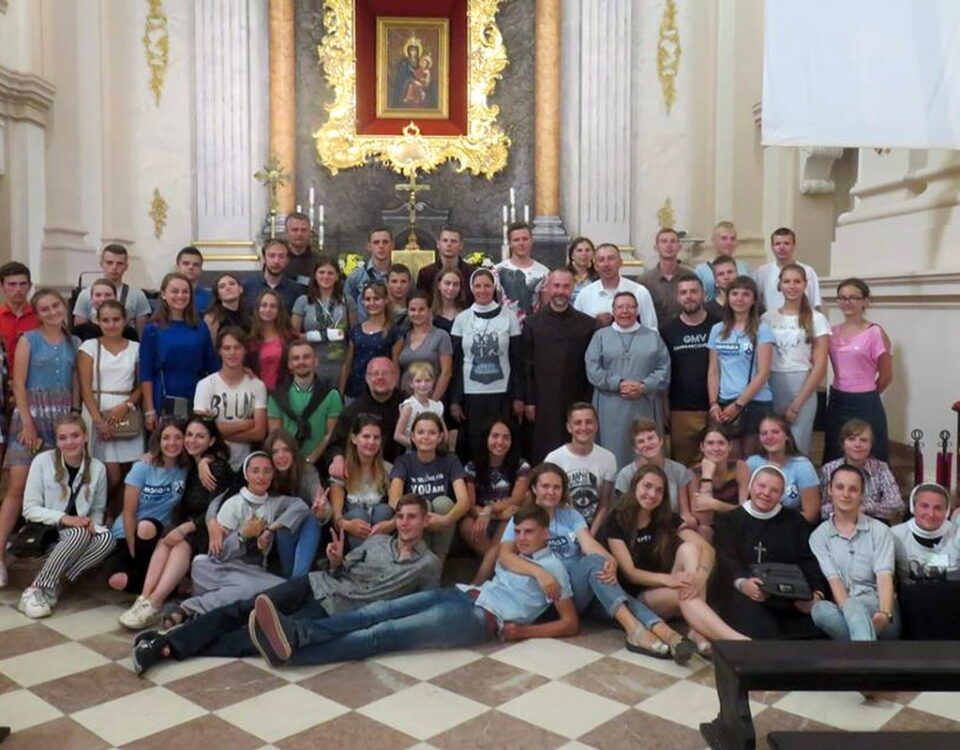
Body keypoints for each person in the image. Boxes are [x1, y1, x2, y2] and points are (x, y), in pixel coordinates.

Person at [131, 493, 441, 675]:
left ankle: (169, 646)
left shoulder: (428, 565)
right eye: (401, 516)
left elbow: (420, 607)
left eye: (412, 517)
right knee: (242, 609)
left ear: (426, 521)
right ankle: (167, 641)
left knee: (256, 637)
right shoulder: (378, 542)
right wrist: (335, 560)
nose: (404, 523)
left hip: (336, 608)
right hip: (314, 583)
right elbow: (341, 569)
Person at [245, 501, 577, 669]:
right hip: (462, 595)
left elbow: (570, 622)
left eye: (529, 532)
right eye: (518, 532)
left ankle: (294, 653)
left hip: (480, 619)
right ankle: (297, 635)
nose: (522, 538)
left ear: (546, 533)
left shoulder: (555, 569)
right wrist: (537, 574)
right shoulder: (519, 556)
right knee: (376, 611)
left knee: (383, 633)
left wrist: (525, 631)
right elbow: (503, 554)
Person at [499, 463, 696, 662]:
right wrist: (540, 573)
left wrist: (610, 560)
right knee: (603, 576)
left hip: (577, 590)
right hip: (550, 595)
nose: (551, 492)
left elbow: (588, 544)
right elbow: (505, 556)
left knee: (605, 575)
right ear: (534, 488)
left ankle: (667, 636)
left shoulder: (570, 515)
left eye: (556, 487)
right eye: (545, 486)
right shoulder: (522, 518)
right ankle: (641, 631)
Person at [605, 464, 749, 656]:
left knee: (690, 549)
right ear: (635, 486)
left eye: (659, 490)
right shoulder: (616, 520)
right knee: (683, 592)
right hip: (640, 599)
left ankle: (697, 631)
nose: (652, 494)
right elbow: (630, 573)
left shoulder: (666, 519)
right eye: (647, 486)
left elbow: (707, 549)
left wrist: (700, 576)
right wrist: (669, 580)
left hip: (672, 587)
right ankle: (738, 641)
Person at [118, 418, 237, 630]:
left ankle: (155, 604)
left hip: (211, 529)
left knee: (180, 542)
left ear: (211, 441)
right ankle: (144, 599)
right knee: (167, 539)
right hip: (190, 526)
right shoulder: (188, 464)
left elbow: (218, 510)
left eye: (200, 436)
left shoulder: (217, 468)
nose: (192, 440)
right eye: (189, 435)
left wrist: (185, 527)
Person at [0, 288, 79, 588]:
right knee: (17, 488)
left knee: (57, 489)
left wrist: (74, 415)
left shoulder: (74, 342)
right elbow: (18, 384)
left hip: (61, 421)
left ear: (63, 307)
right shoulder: (28, 340)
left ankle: (50, 560)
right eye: (44, 308)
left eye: (55, 305)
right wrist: (27, 423)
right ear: (37, 313)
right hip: (30, 419)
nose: (52, 312)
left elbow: (75, 383)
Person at [176, 452, 312, 619]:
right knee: (255, 590)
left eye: (267, 471)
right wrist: (242, 534)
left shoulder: (273, 503)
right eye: (255, 471)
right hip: (220, 570)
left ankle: (197, 608)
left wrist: (270, 529)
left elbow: (301, 506)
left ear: (272, 475)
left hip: (253, 573)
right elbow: (219, 555)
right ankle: (191, 608)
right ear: (246, 475)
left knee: (281, 589)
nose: (261, 476)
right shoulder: (233, 504)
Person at [710, 465, 826, 639]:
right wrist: (743, 583)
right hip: (747, 596)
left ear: (782, 495)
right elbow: (726, 560)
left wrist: (816, 594)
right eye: (761, 486)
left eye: (774, 490)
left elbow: (808, 560)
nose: (766, 493)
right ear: (751, 486)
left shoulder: (795, 522)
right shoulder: (729, 521)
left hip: (790, 600)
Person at [17, 414, 112, 618]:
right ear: (57, 440)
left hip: (77, 538)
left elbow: (98, 509)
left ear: (85, 437)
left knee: (107, 539)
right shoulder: (42, 461)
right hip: (45, 536)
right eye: (63, 437)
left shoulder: (97, 468)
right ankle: (34, 590)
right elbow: (29, 509)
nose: (69, 442)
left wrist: (92, 526)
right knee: (78, 533)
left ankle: (53, 581)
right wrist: (64, 519)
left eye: (75, 435)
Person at [809, 464, 899, 641]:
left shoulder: (880, 531)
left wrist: (885, 614)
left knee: (855, 606)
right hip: (843, 608)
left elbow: (884, 577)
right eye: (840, 487)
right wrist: (849, 608)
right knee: (819, 610)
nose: (846, 494)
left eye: (853, 489)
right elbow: (834, 581)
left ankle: (858, 653)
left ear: (862, 494)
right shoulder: (819, 536)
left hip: (878, 608)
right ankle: (865, 648)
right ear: (830, 490)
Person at [585, 291, 670, 468]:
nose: (625, 311)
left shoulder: (652, 336)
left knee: (645, 451)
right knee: (612, 454)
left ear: (637, 310)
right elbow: (592, 368)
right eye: (620, 307)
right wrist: (618, 383)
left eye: (630, 307)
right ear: (613, 310)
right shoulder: (600, 336)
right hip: (610, 407)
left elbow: (664, 368)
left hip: (644, 404)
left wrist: (644, 386)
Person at [104, 419, 189, 595]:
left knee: (147, 525)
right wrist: (133, 548)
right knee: (117, 580)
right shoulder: (142, 468)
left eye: (178, 437)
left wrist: (203, 464)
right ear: (158, 440)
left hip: (156, 534)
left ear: (184, 440)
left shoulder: (186, 468)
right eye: (166, 437)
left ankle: (152, 591)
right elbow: (129, 514)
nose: (172, 443)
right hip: (126, 534)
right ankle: (169, 588)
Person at [522, 269, 596, 463]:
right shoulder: (532, 323)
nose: (560, 291)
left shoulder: (587, 325)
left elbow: (590, 368)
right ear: (547, 287)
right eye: (556, 286)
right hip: (542, 400)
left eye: (565, 286)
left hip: (575, 397)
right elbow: (527, 365)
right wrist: (529, 401)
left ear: (572, 289)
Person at [77, 299, 142, 516]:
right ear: (98, 321)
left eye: (116, 319)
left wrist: (127, 404)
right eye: (105, 320)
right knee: (108, 472)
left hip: (126, 410)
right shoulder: (89, 347)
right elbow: (85, 387)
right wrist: (98, 421)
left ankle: (115, 518)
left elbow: (142, 384)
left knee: (128, 472)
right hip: (97, 409)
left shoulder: (136, 348)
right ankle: (94, 512)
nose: (111, 324)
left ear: (125, 320)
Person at [450, 268, 523, 459]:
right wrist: (455, 400)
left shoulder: (510, 317)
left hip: (502, 394)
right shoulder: (462, 319)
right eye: (478, 286)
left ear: (494, 287)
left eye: (487, 285)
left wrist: (518, 396)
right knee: (474, 444)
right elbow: (456, 364)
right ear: (471, 288)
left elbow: (516, 360)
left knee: (501, 442)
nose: (482, 290)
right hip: (471, 395)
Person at [823, 277, 892, 463]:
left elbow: (886, 375)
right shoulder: (832, 332)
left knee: (868, 453)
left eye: (853, 297)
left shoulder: (874, 332)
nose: (847, 302)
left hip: (865, 401)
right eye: (843, 298)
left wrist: (866, 394)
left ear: (865, 301)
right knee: (835, 450)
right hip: (837, 400)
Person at [762, 263, 830, 454]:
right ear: (780, 285)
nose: (792, 286)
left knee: (798, 447)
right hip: (772, 384)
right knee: (772, 445)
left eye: (797, 281)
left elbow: (820, 365)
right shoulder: (767, 318)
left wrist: (796, 405)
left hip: (802, 387)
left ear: (805, 284)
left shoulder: (817, 319)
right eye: (787, 281)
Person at [141, 273, 218, 432]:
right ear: (163, 294)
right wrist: (149, 410)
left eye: (185, 291)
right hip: (164, 396)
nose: (180, 296)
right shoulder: (152, 329)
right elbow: (146, 373)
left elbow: (212, 365)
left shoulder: (200, 327)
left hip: (197, 395)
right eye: (175, 291)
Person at [706, 275, 774, 456]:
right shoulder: (717, 329)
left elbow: (764, 373)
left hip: (754, 402)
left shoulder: (762, 329)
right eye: (735, 293)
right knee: (730, 457)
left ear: (753, 300)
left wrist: (738, 404)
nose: (739, 298)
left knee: (752, 458)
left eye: (746, 294)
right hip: (725, 401)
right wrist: (713, 403)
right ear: (728, 298)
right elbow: (713, 370)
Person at [389, 412, 470, 562]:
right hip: (415, 521)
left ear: (440, 437)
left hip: (441, 521)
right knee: (421, 504)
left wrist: (445, 520)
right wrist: (417, 516)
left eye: (432, 433)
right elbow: (394, 499)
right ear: (412, 437)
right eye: (420, 432)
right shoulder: (403, 461)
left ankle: (439, 562)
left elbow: (464, 501)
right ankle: (417, 559)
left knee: (443, 503)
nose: (425, 437)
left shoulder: (451, 460)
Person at [660, 273, 720, 465]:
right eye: (684, 292)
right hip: (681, 410)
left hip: (718, 407)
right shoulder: (667, 330)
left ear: (704, 294)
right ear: (678, 297)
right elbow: (664, 372)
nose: (689, 296)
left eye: (694, 291)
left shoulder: (719, 326)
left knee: (719, 464)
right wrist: (665, 406)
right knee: (684, 467)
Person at [461, 418, 529, 584]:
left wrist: (490, 510)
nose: (500, 442)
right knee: (465, 524)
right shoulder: (471, 467)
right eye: (495, 436)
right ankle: (503, 569)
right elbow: (470, 505)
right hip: (484, 519)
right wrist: (492, 514)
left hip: (508, 519)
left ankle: (477, 583)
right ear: (486, 438)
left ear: (512, 441)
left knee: (510, 517)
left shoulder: (522, 466)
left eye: (506, 437)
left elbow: (516, 499)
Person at [193, 326, 268, 471]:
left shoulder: (257, 385)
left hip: (245, 466)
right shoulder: (205, 385)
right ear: (219, 351)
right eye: (227, 348)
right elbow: (200, 431)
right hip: (212, 464)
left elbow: (259, 433)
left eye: (237, 347)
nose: (232, 353)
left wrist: (216, 432)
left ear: (245, 350)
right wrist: (245, 424)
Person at [891, 484, 960, 639]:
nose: (931, 514)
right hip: (911, 602)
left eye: (938, 508)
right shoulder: (895, 535)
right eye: (924, 506)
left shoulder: (957, 534)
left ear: (947, 511)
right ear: (913, 507)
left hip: (951, 602)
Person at [263, 430, 330, 579]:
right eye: (275, 452)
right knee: (285, 522)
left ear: (293, 452)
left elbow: (323, 505)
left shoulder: (306, 471)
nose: (281, 456)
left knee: (312, 518)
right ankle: (294, 579)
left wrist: (321, 512)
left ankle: (296, 579)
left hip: (308, 530)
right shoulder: (264, 475)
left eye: (286, 450)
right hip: (276, 533)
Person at [544, 403, 617, 535]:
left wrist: (590, 536)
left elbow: (604, 504)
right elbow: (546, 502)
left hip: (594, 527)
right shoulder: (554, 459)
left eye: (589, 422)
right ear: (569, 427)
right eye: (578, 423)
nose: (583, 427)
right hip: (560, 525)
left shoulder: (608, 458)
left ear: (596, 425)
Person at [267, 341, 342, 468]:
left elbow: (330, 435)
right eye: (296, 358)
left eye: (306, 357)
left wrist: (309, 461)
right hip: (285, 465)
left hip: (319, 464)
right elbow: (275, 436)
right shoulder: (276, 396)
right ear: (290, 364)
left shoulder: (331, 395)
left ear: (316, 361)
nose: (301, 362)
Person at [325, 357, 404, 471]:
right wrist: (337, 458)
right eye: (375, 373)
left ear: (396, 377)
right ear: (367, 378)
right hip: (362, 470)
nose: (380, 377)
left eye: (385, 373)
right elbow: (335, 444)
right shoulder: (353, 411)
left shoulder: (409, 404)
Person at [330, 415, 393, 550]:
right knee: (358, 515)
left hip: (379, 529)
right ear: (354, 438)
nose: (371, 442)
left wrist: (390, 525)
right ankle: (362, 560)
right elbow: (336, 518)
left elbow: (398, 510)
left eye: (376, 437)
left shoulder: (388, 469)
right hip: (352, 531)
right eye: (366, 436)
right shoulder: (342, 469)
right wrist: (349, 525)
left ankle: (377, 559)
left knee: (384, 511)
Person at [820, 419, 902, 523]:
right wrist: (850, 509)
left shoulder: (881, 468)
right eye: (851, 439)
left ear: (871, 444)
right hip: (838, 522)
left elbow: (896, 504)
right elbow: (823, 509)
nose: (857, 444)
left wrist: (865, 507)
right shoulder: (829, 469)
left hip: (875, 523)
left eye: (864, 440)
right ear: (842, 443)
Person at [614, 418, 693, 520]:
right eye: (641, 441)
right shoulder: (626, 474)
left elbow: (684, 513)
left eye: (651, 438)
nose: (647, 444)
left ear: (661, 441)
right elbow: (623, 513)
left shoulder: (678, 470)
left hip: (671, 524)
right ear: (635, 448)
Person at [745, 414, 820, 522]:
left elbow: (811, 514)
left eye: (775, 432)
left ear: (787, 436)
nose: (769, 437)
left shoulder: (803, 465)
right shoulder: (751, 463)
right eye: (764, 433)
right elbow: (743, 505)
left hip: (791, 525)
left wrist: (781, 527)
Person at [291, 255, 348, 387]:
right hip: (311, 364)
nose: (326, 276)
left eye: (330, 273)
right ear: (315, 276)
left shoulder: (346, 300)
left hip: (339, 364)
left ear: (337, 276)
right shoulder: (303, 301)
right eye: (321, 272)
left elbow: (354, 333)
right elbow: (292, 336)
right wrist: (319, 336)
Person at [574, 243, 659, 330]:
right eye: (601, 260)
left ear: (620, 263)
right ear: (595, 266)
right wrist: (594, 323)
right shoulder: (584, 295)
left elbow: (651, 330)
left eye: (611, 259)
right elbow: (576, 331)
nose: (606, 264)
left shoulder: (639, 292)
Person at [73, 244, 152, 336]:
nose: (114, 267)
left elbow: (142, 335)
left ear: (126, 266)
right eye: (109, 263)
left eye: (120, 263)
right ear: (101, 264)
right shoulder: (85, 294)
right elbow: (79, 334)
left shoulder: (138, 296)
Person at [339, 281, 400, 401]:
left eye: (376, 299)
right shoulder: (356, 330)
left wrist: (395, 394)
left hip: (382, 392)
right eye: (367, 299)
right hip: (354, 390)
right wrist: (340, 393)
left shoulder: (394, 332)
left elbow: (396, 366)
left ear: (386, 300)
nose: (372, 303)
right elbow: (347, 364)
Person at [688, 425, 750, 541]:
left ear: (730, 446)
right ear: (702, 447)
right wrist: (707, 476)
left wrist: (715, 504)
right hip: (711, 528)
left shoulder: (739, 467)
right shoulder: (693, 473)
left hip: (736, 523)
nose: (716, 448)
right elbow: (703, 520)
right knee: (703, 529)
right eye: (710, 443)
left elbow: (745, 512)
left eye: (721, 443)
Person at [393, 290, 453, 400]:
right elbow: (396, 368)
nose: (417, 313)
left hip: (431, 398)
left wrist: (433, 402)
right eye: (412, 310)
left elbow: (446, 372)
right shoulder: (403, 337)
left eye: (421, 309)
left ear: (429, 310)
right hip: (406, 399)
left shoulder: (441, 336)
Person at [754, 227, 822, 313]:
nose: (782, 247)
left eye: (786, 243)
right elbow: (757, 304)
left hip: (802, 319)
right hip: (771, 320)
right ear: (772, 247)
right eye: (777, 244)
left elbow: (815, 305)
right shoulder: (762, 272)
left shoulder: (808, 272)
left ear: (794, 246)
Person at [494, 222, 549, 323]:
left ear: (531, 241)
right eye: (516, 240)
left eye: (525, 239)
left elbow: (545, 306)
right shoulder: (497, 270)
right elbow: (495, 302)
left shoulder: (543, 272)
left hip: (532, 326)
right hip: (505, 326)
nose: (521, 243)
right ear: (510, 243)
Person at [639, 228, 694, 326]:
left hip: (685, 331)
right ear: (656, 247)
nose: (668, 245)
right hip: (656, 332)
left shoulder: (691, 277)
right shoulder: (645, 281)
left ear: (679, 247)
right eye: (664, 241)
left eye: (673, 241)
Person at [246, 289, 295, 390]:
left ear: (279, 310)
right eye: (264, 305)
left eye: (273, 306)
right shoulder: (249, 338)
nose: (268, 310)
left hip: (282, 392)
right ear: (258, 309)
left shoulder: (289, 338)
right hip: (255, 391)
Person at [240, 238, 303, 315]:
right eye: (272, 256)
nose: (276, 261)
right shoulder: (247, 286)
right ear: (264, 259)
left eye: (281, 256)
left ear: (287, 260)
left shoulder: (295, 290)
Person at [344, 228, 394, 324]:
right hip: (364, 329)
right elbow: (348, 307)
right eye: (376, 242)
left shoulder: (402, 277)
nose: (381, 246)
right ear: (369, 246)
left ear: (392, 245)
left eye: (385, 242)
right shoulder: (355, 278)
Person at [416, 227, 476, 305]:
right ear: (438, 244)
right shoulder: (425, 273)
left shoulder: (472, 272)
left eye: (453, 241)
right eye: (445, 240)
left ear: (461, 245)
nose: (449, 244)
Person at [695, 221, 753, 302]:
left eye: (732, 239)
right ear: (714, 241)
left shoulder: (745, 268)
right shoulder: (701, 270)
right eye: (724, 238)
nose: (729, 243)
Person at [394, 361, 446, 449]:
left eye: (427, 380)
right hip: (414, 452)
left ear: (433, 382)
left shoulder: (436, 406)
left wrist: (436, 446)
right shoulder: (409, 406)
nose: (423, 384)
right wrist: (419, 446)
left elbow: (444, 433)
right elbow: (398, 435)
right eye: (418, 381)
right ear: (411, 384)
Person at [0, 261, 39, 373]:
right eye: (12, 284)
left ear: (30, 286)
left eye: (22, 284)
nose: (18, 289)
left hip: (34, 379)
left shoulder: (41, 317)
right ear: (2, 286)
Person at [72, 278, 139, 342]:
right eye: (98, 295)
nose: (103, 299)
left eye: (108, 295)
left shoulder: (129, 333)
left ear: (115, 298)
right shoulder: (80, 332)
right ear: (91, 298)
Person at [204, 272, 249, 343]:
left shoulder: (250, 314)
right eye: (222, 286)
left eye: (232, 284)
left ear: (240, 289)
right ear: (218, 295)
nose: (228, 288)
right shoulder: (212, 318)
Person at [175, 246, 212, 316]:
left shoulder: (210, 298)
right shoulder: (168, 295)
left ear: (201, 270)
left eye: (196, 265)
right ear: (177, 267)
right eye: (186, 263)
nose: (191, 267)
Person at [283, 211, 317, 287]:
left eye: (304, 230)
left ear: (310, 232)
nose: (299, 234)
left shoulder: (319, 261)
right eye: (295, 230)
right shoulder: (278, 259)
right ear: (286, 232)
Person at [431, 268, 466, 334]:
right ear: (439, 285)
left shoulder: (466, 313)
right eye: (447, 283)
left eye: (456, 284)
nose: (451, 288)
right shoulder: (430, 314)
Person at [566, 236, 598, 304]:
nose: (584, 254)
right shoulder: (564, 276)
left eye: (587, 250)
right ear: (572, 255)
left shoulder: (599, 277)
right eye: (579, 250)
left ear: (593, 254)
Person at [386, 263, 413, 331]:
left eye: (403, 281)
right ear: (387, 283)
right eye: (394, 281)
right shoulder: (381, 309)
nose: (399, 286)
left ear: (410, 284)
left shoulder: (416, 310)